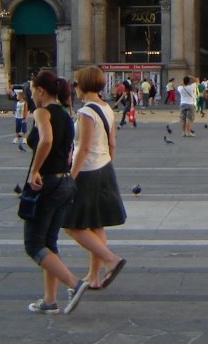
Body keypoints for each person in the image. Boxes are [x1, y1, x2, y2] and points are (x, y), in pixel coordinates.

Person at [22, 70, 87, 315]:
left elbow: (46, 140)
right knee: (49, 242)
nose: (30, 93)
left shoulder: (42, 112)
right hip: (66, 183)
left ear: (40, 90)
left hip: (47, 183)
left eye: (31, 89)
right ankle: (50, 300)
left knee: (33, 244)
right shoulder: (65, 114)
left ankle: (75, 284)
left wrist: (35, 171)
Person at [63, 66, 127, 292]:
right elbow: (112, 142)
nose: (74, 89)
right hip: (104, 168)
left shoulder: (86, 112)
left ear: (82, 85)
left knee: (71, 224)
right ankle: (94, 276)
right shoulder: (106, 107)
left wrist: (71, 178)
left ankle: (111, 259)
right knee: (96, 223)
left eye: (75, 84)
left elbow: (84, 148)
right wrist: (108, 163)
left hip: (87, 171)